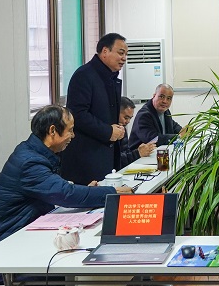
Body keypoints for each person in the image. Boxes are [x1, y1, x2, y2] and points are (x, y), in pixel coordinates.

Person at [0, 105, 132, 254]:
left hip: (24, 236)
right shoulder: (29, 162)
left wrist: (88, 191)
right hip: (3, 249)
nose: (73, 136)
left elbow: (58, 189)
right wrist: (111, 192)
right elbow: (65, 194)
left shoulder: (35, 151)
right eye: (70, 130)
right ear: (52, 130)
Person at [60, 33, 128, 185]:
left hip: (105, 155)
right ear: (105, 51)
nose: (124, 58)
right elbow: (77, 114)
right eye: (120, 53)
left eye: (126, 54)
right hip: (86, 157)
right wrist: (108, 131)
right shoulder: (84, 75)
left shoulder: (110, 78)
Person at [128, 84, 185, 150]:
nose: (165, 101)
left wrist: (183, 131)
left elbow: (173, 125)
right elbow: (153, 139)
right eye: (161, 96)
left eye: (169, 98)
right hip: (140, 157)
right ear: (154, 96)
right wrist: (178, 136)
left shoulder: (165, 111)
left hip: (158, 152)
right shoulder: (144, 115)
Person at [118, 96, 156, 167]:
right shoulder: (109, 132)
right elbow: (116, 161)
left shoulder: (122, 128)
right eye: (126, 117)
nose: (128, 121)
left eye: (130, 118)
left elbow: (126, 152)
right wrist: (138, 153)